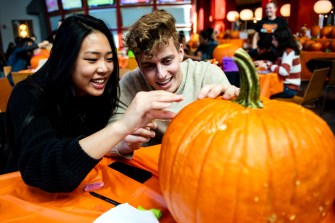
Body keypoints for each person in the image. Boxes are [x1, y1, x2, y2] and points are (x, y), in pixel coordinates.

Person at [4, 14, 183, 192]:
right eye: (92, 59)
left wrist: (125, 142)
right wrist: (122, 127)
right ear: (65, 60)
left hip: (89, 191)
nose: (104, 68)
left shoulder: (102, 93)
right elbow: (44, 170)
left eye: (109, 59)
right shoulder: (27, 95)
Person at [108, 9, 239, 150]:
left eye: (167, 61)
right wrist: (124, 144)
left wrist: (238, 103)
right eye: (149, 66)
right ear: (138, 65)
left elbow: (237, 132)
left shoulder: (207, 74)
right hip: (150, 165)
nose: (161, 75)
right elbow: (109, 141)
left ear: (180, 53)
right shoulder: (130, 83)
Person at [255, 27, 301, 98]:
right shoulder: (288, 51)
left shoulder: (288, 52)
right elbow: (277, 65)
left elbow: (284, 71)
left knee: (262, 90)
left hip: (289, 89)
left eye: (274, 39)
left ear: (281, 41)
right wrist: (265, 62)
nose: (272, 42)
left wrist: (267, 65)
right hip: (289, 87)